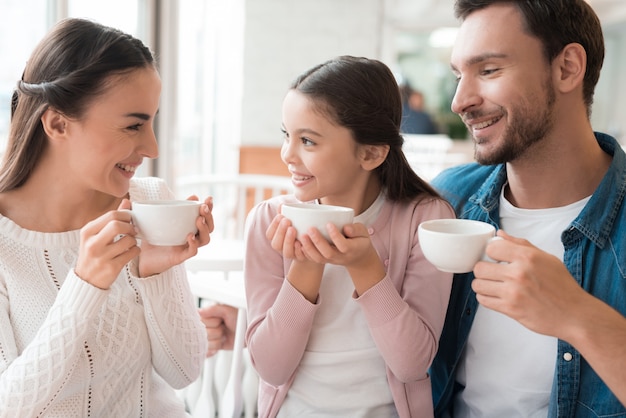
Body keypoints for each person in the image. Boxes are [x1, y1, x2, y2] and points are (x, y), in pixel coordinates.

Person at [0, 18, 214, 417]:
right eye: (134, 125)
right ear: (58, 123)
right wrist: (86, 284)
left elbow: (185, 372)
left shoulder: (149, 201)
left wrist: (155, 275)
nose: (151, 147)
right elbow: (10, 407)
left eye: (151, 122)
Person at [429, 0, 626, 416]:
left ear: (567, 68)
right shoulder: (447, 203)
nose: (460, 101)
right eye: (458, 75)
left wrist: (578, 316)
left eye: (488, 70)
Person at [243, 55, 455, 418]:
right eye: (286, 135)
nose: (287, 155)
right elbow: (271, 369)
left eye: (307, 141)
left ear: (370, 153)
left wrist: (366, 267)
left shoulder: (426, 219)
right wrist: (305, 267)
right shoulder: (267, 221)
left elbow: (411, 365)